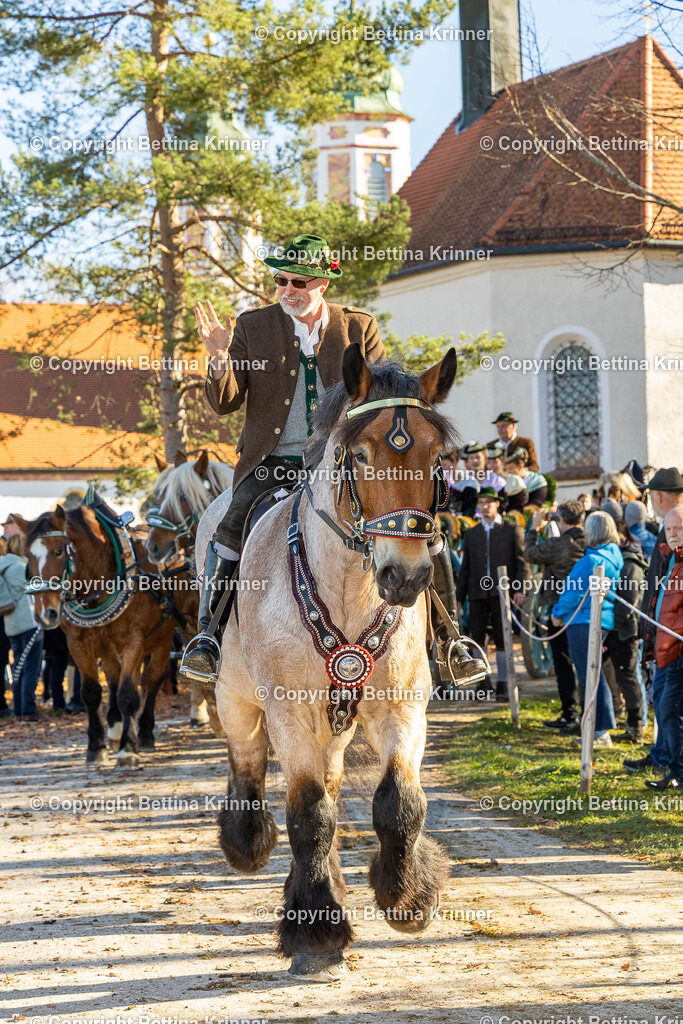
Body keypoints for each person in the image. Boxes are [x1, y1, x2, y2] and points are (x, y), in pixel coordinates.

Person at [181, 233, 485, 689]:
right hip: (272, 462)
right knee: (230, 523)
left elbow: (384, 395)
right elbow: (225, 404)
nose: (287, 290)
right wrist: (220, 360)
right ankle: (208, 638)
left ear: (323, 283)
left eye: (298, 282)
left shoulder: (357, 327)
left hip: (343, 460)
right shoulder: (252, 326)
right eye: (280, 280)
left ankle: (451, 641)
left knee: (422, 525)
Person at [624, 467, 683, 774]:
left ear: (658, 496)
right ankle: (662, 754)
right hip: (664, 631)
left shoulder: (673, 526)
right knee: (663, 699)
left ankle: (673, 764)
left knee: (669, 703)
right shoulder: (669, 526)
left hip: (673, 635)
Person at [551, 512, 623, 746]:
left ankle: (599, 731)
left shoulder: (590, 561)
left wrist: (557, 613)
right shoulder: (615, 557)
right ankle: (598, 729)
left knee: (589, 676)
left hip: (583, 622)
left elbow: (571, 594)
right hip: (604, 620)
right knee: (595, 674)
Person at [456, 488, 529, 702]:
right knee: (477, 639)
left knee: (503, 637)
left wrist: (521, 588)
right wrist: (459, 597)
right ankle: (483, 681)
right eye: (481, 503)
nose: (484, 506)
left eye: (489, 502)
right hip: (477, 592)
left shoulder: (511, 529)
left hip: (502, 593)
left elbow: (521, 561)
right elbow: (466, 568)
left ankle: (504, 683)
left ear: (498, 505)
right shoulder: (472, 533)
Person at [525, 500, 587, 731]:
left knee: (563, 663)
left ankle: (569, 713)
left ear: (561, 520)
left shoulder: (557, 544)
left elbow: (530, 553)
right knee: (585, 663)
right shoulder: (591, 539)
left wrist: (534, 528)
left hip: (560, 610)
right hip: (588, 609)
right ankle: (589, 713)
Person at [643, 506, 683, 791]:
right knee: (666, 709)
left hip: (679, 649)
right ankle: (676, 772)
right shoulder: (670, 559)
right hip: (667, 649)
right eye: (669, 529)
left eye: (678, 528)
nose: (673, 534)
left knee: (670, 709)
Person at [604, 521, 648, 744]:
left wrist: (612, 623)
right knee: (621, 676)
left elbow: (629, 599)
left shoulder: (630, 561)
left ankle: (636, 728)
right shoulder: (619, 558)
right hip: (616, 628)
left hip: (625, 630)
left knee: (628, 678)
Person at [0, 534, 43, 721]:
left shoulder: (3, 566)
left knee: (18, 666)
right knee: (30, 668)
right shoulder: (20, 567)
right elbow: (38, 587)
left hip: (11, 624)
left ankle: (18, 709)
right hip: (28, 622)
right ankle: (28, 710)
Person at [451, 442, 506, 517]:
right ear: (468, 461)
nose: (475, 461)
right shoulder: (463, 481)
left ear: (485, 459)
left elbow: (502, 505)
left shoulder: (496, 481)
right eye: (471, 458)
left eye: (478, 457)